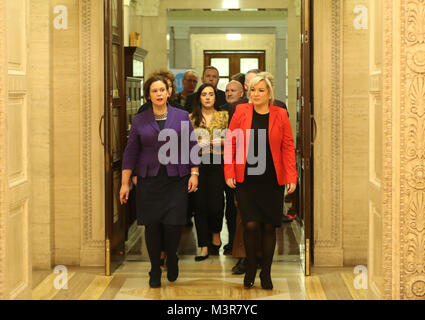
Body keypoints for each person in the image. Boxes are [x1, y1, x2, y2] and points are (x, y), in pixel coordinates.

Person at [120, 75, 200, 288]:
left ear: (168, 92)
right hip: (149, 180)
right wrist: (125, 182)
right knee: (152, 227)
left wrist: (194, 173)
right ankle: (155, 268)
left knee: (173, 226)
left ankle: (172, 256)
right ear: (148, 95)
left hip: (176, 179)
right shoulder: (139, 120)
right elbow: (130, 152)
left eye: (162, 90)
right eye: (154, 91)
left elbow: (191, 146)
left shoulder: (182, 116)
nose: (158, 94)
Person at [224, 72, 297, 290]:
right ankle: (250, 268)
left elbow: (288, 147)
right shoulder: (240, 111)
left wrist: (291, 176)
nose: (255, 94)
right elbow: (230, 143)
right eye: (253, 90)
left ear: (269, 94)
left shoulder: (280, 114)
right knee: (251, 224)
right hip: (246, 178)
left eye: (261, 90)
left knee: (268, 226)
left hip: (272, 179)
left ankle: (266, 272)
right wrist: (229, 172)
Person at [189, 83, 229, 261]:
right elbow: (185, 143)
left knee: (216, 203)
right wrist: (197, 145)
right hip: (197, 163)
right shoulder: (191, 118)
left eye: (211, 94)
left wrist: (219, 142)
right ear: (199, 98)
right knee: (199, 205)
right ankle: (204, 245)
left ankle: (216, 232)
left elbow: (233, 138)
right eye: (204, 94)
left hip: (218, 162)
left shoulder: (224, 116)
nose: (207, 97)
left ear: (215, 97)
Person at [219, 80, 245, 255]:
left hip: (239, 164)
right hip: (219, 163)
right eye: (227, 90)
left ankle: (238, 245)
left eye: (233, 90)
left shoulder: (244, 110)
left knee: (238, 207)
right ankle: (230, 242)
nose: (229, 93)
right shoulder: (221, 110)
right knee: (228, 206)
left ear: (242, 93)